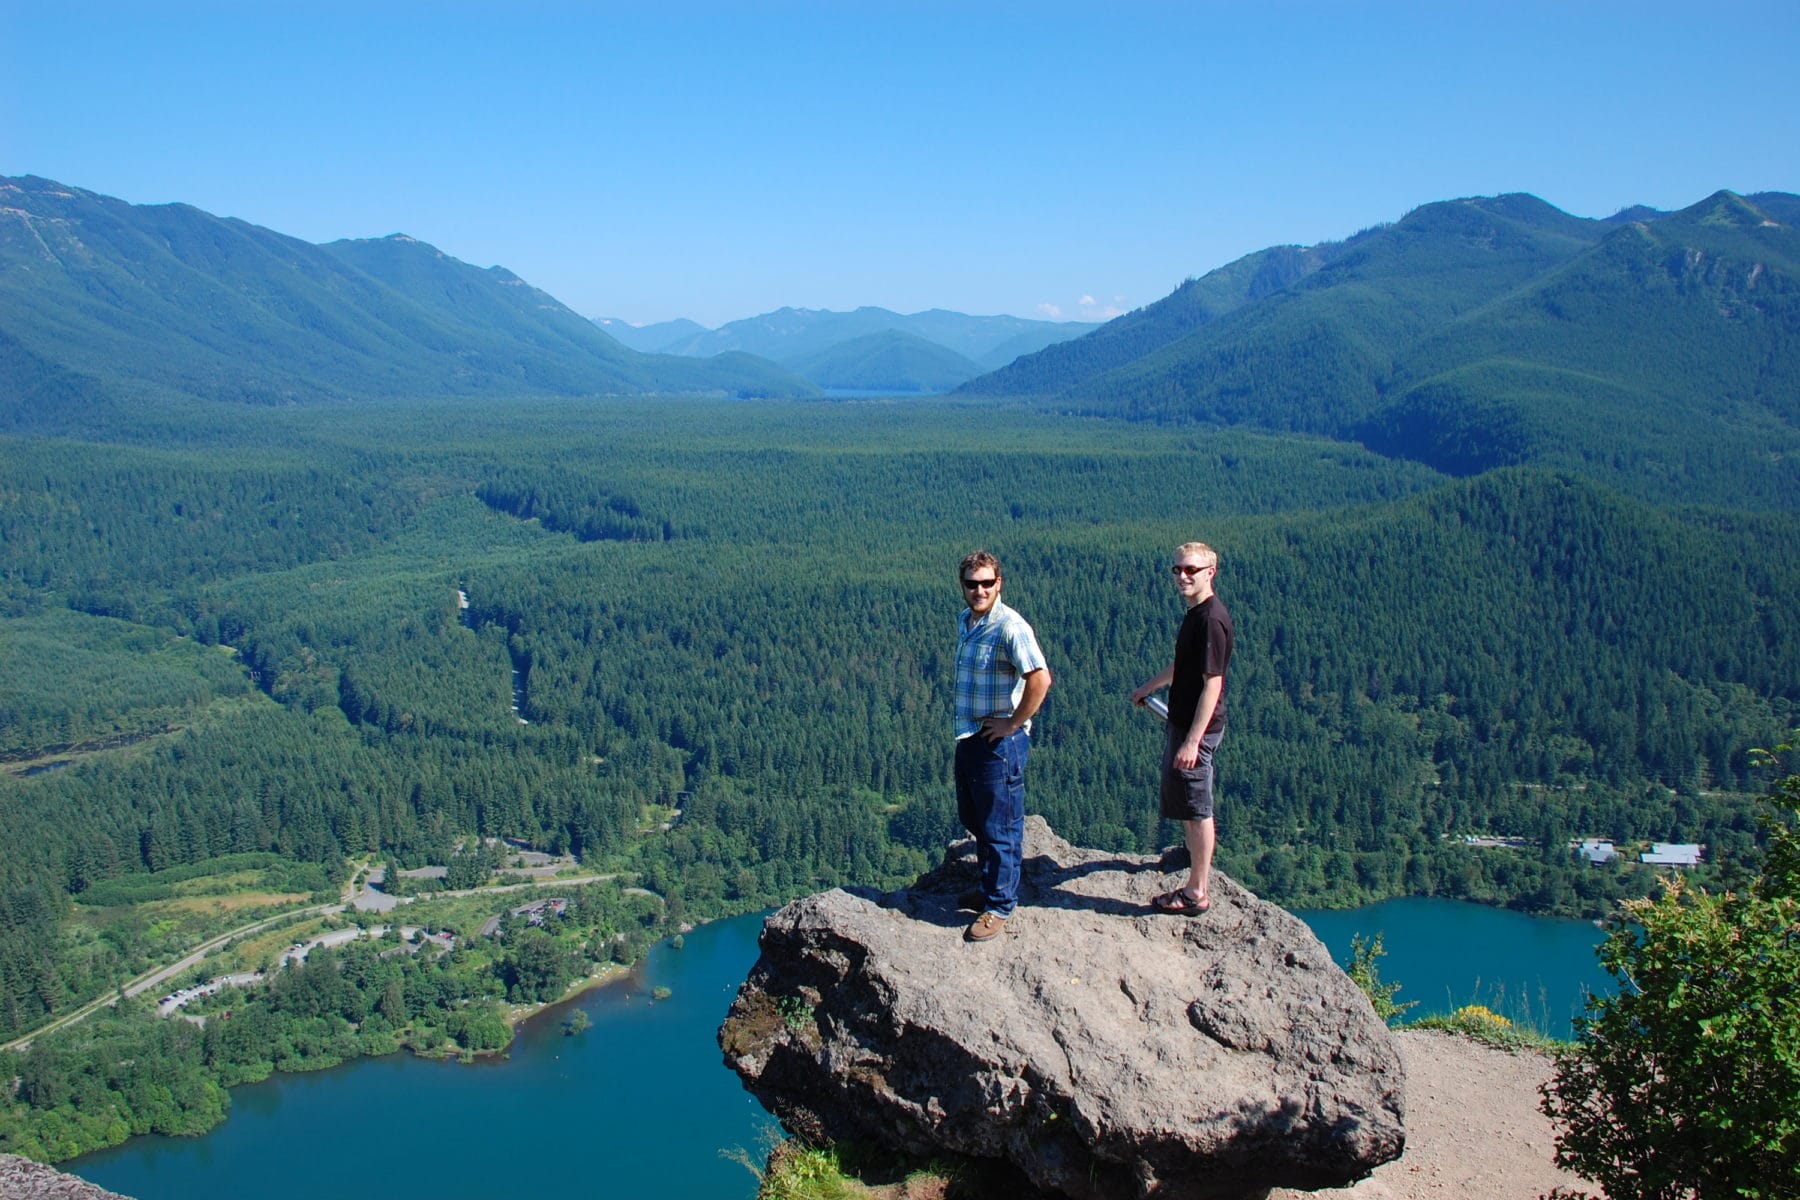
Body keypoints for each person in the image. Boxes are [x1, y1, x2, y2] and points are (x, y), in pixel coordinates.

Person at [952, 550, 1052, 942]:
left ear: (999, 584)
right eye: (971, 584)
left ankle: (999, 906)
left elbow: (1040, 679)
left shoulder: (1011, 627)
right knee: (976, 818)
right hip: (970, 736)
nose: (979, 590)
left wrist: (1012, 723)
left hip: (999, 744)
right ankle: (989, 886)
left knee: (1000, 826)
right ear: (962, 585)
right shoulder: (967, 620)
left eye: (986, 583)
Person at [1132, 541, 1234, 914]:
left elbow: (1212, 684)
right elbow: (1184, 666)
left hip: (1196, 729)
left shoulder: (1209, 620)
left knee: (1197, 809)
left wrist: (1192, 741)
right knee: (1190, 804)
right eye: (1177, 569)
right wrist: (1150, 687)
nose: (1182, 576)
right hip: (1184, 722)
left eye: (1191, 569)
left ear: (1211, 572)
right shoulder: (1196, 614)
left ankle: (1196, 893)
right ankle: (1194, 864)